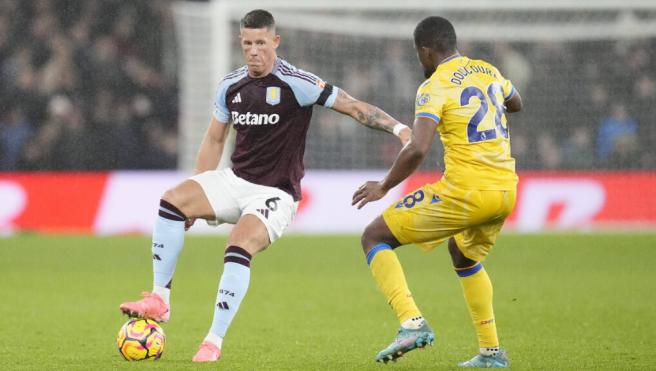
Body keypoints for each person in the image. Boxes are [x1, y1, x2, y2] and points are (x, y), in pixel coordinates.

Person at [119, 9, 411, 363]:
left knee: (237, 245)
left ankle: (213, 340)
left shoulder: (297, 82)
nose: (253, 50)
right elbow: (214, 140)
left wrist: (399, 130)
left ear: (275, 42)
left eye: (260, 43)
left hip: (275, 193)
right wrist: (198, 193)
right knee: (171, 201)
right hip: (235, 180)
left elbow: (351, 106)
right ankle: (159, 300)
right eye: (246, 44)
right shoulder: (231, 85)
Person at [352, 16, 522, 368]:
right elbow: (516, 101)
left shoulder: (434, 86)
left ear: (426, 52)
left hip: (467, 191)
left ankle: (411, 323)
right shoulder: (487, 70)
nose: (420, 62)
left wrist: (383, 186)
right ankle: (491, 353)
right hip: (505, 190)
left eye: (419, 56)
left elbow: (417, 148)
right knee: (463, 255)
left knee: (374, 236)